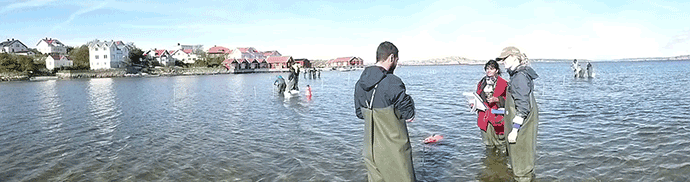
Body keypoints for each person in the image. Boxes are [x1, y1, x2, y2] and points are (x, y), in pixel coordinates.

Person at [354, 41, 416, 182]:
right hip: (394, 152)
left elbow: (359, 113)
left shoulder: (360, 83)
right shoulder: (393, 82)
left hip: (370, 151)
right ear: (391, 58)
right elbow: (409, 115)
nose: (396, 64)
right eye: (396, 61)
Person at [496, 46, 539, 181]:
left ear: (515, 57)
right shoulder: (517, 74)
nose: (503, 62)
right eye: (502, 60)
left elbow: (523, 107)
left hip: (521, 127)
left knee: (522, 167)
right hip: (520, 124)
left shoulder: (520, 77)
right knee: (522, 162)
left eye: (505, 58)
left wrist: (514, 130)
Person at [473, 60, 508, 148]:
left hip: (498, 118)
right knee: (488, 144)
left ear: (496, 70)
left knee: (501, 144)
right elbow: (477, 96)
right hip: (484, 117)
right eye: (487, 69)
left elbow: (510, 100)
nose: (489, 71)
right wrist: (474, 104)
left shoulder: (504, 83)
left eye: (491, 69)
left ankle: (501, 161)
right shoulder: (481, 83)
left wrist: (497, 99)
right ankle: (489, 160)